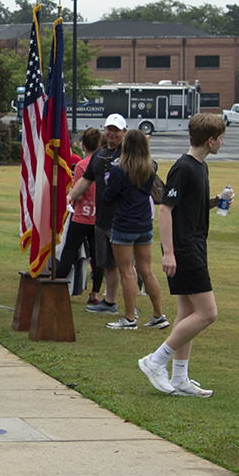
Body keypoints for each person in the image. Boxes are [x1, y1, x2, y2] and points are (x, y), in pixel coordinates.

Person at [139, 113, 231, 398]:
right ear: (210, 140)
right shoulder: (184, 167)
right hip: (184, 250)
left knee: (187, 312)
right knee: (208, 312)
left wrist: (217, 201)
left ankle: (180, 378)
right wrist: (169, 253)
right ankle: (155, 361)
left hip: (196, 246)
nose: (223, 142)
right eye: (221, 138)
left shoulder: (200, 167)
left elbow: (191, 206)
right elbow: (165, 209)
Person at [102, 129, 169, 330]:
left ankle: (130, 318)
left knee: (127, 271)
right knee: (147, 270)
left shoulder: (119, 171)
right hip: (144, 223)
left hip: (124, 224)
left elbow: (108, 198)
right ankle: (158, 314)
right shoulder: (151, 168)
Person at [66, 113, 127, 318]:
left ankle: (130, 307)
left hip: (123, 218)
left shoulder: (129, 153)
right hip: (101, 218)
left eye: (116, 130)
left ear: (124, 133)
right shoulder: (99, 154)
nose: (112, 133)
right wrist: (70, 196)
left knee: (126, 265)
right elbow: (86, 179)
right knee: (107, 262)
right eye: (109, 129)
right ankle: (109, 301)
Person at [56, 128, 104, 304]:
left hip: (81, 216)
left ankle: (57, 288)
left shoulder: (82, 166)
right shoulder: (103, 163)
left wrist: (69, 194)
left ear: (82, 145)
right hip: (97, 216)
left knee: (69, 252)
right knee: (97, 257)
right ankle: (95, 294)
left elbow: (78, 192)